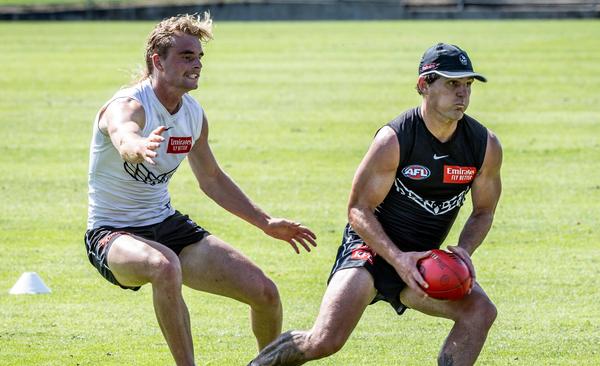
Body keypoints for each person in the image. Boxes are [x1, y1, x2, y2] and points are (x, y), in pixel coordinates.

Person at [84, 13, 317, 366]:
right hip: (112, 233)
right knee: (164, 267)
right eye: (186, 56)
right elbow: (123, 134)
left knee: (266, 294)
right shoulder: (129, 105)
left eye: (199, 58)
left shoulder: (192, 114)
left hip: (166, 225)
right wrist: (138, 147)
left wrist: (265, 223)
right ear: (157, 61)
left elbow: (211, 179)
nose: (196, 65)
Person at [249, 43, 502, 366]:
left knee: (481, 312)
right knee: (325, 340)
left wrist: (464, 250)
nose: (462, 94)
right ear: (424, 85)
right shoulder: (394, 139)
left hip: (424, 262)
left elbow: (484, 211)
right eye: (452, 84)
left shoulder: (483, 145)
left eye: (467, 85)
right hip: (370, 251)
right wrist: (398, 259)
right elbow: (357, 210)